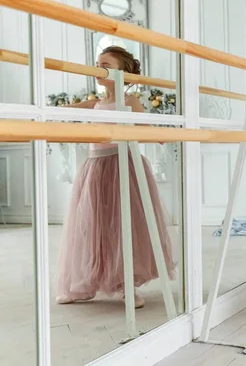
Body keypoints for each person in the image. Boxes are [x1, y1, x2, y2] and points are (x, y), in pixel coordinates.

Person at [55, 46, 177, 308]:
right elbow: (66, 109)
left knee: (125, 225)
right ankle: (86, 282)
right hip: (96, 168)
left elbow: (145, 128)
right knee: (92, 225)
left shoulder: (130, 101)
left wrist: (164, 137)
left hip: (124, 165)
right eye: (97, 63)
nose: (98, 68)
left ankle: (126, 284)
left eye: (105, 64)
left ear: (121, 72)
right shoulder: (95, 102)